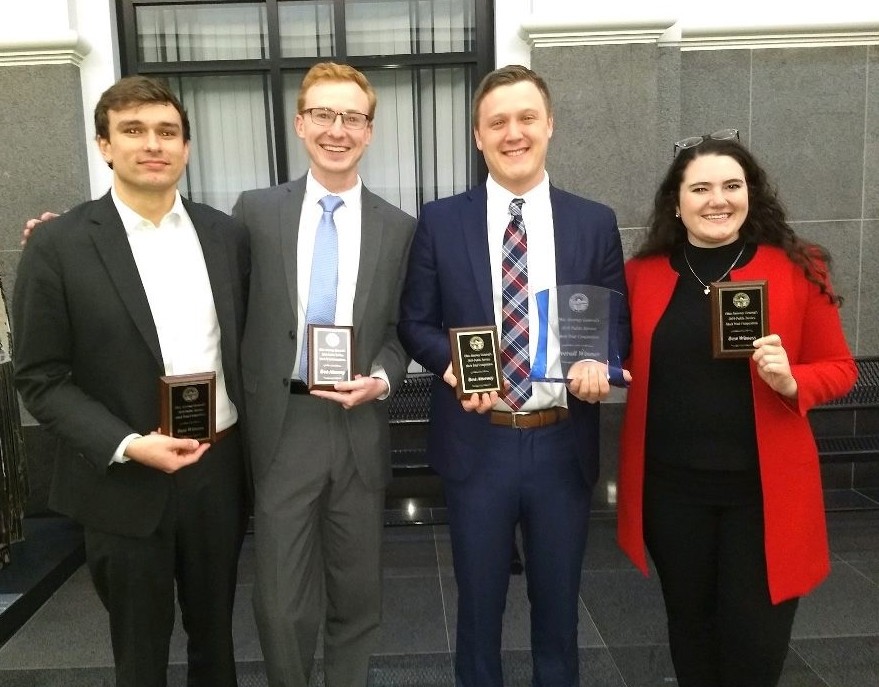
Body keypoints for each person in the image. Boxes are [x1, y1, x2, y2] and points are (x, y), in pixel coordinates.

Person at [397, 64, 631, 687]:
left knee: (558, 610)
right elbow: (414, 322)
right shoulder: (442, 220)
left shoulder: (593, 221)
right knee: (479, 611)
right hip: (479, 444)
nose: (514, 133)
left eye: (527, 117)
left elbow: (617, 324)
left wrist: (601, 365)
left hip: (562, 439)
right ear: (477, 136)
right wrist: (453, 369)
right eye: (497, 122)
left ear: (550, 125)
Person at [12, 76, 250, 687]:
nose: (153, 144)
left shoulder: (226, 235)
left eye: (168, 132)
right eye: (134, 130)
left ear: (186, 148)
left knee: (216, 642)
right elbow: (41, 377)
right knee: (139, 656)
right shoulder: (59, 245)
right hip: (122, 479)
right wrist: (124, 443)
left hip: (216, 473)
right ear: (104, 145)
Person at [616, 131, 857, 686]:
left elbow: (840, 366)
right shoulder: (643, 275)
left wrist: (791, 379)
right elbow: (616, 356)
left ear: (751, 194)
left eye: (732, 185)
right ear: (676, 203)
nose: (717, 199)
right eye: (699, 188)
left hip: (763, 495)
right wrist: (590, 369)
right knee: (691, 636)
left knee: (753, 648)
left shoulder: (799, 266)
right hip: (672, 494)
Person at [232, 62, 414, 687]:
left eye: (352, 118)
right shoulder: (255, 213)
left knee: (358, 589)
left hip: (359, 420)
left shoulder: (398, 227)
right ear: (300, 123)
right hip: (283, 422)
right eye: (324, 115)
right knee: (282, 596)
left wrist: (383, 380)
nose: (338, 130)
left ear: (369, 130)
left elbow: (398, 332)